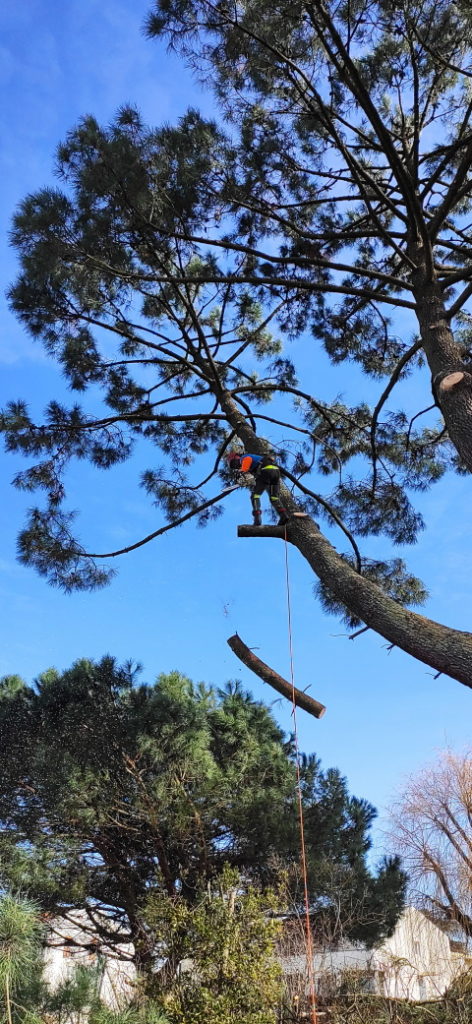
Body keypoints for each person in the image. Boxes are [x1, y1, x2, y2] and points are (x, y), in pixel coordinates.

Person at [227, 450, 289, 526]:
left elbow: (248, 460)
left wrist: (243, 471)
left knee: (254, 496)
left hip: (266, 471)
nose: (236, 466)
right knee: (274, 497)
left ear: (236, 457)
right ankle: (283, 515)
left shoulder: (243, 458)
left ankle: (257, 519)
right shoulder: (255, 462)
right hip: (275, 471)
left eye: (234, 463)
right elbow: (255, 475)